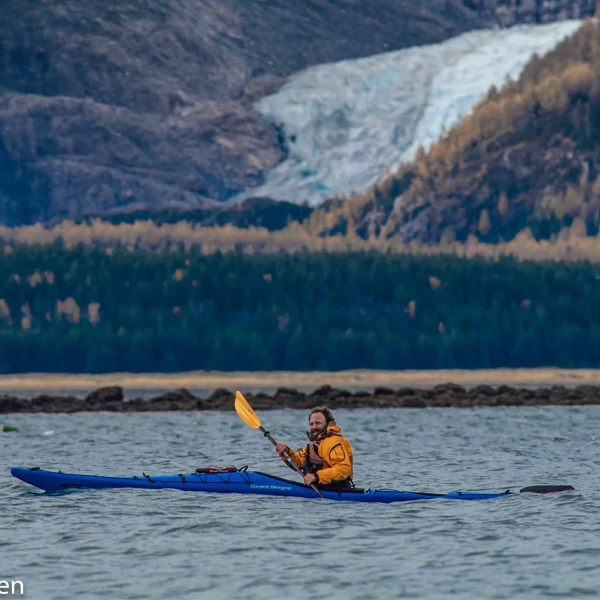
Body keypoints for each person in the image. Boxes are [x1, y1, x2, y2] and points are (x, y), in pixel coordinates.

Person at [275, 406, 354, 491]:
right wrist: (286, 451)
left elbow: (343, 469)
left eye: (318, 423)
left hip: (336, 493)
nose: (314, 427)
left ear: (327, 424)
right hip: (318, 492)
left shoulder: (333, 442)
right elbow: (298, 463)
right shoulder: (314, 444)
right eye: (311, 424)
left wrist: (316, 476)